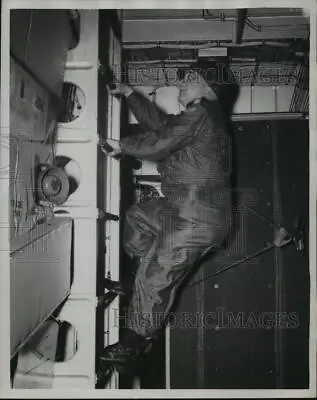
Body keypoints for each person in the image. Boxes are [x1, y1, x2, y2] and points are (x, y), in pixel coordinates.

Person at [99, 60, 239, 377]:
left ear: (209, 88)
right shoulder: (200, 119)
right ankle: (132, 286)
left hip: (197, 216)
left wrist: (122, 145)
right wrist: (129, 94)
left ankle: (133, 344)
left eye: (190, 78)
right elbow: (161, 127)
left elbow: (160, 141)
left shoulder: (203, 113)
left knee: (156, 274)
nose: (181, 84)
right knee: (139, 217)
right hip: (184, 208)